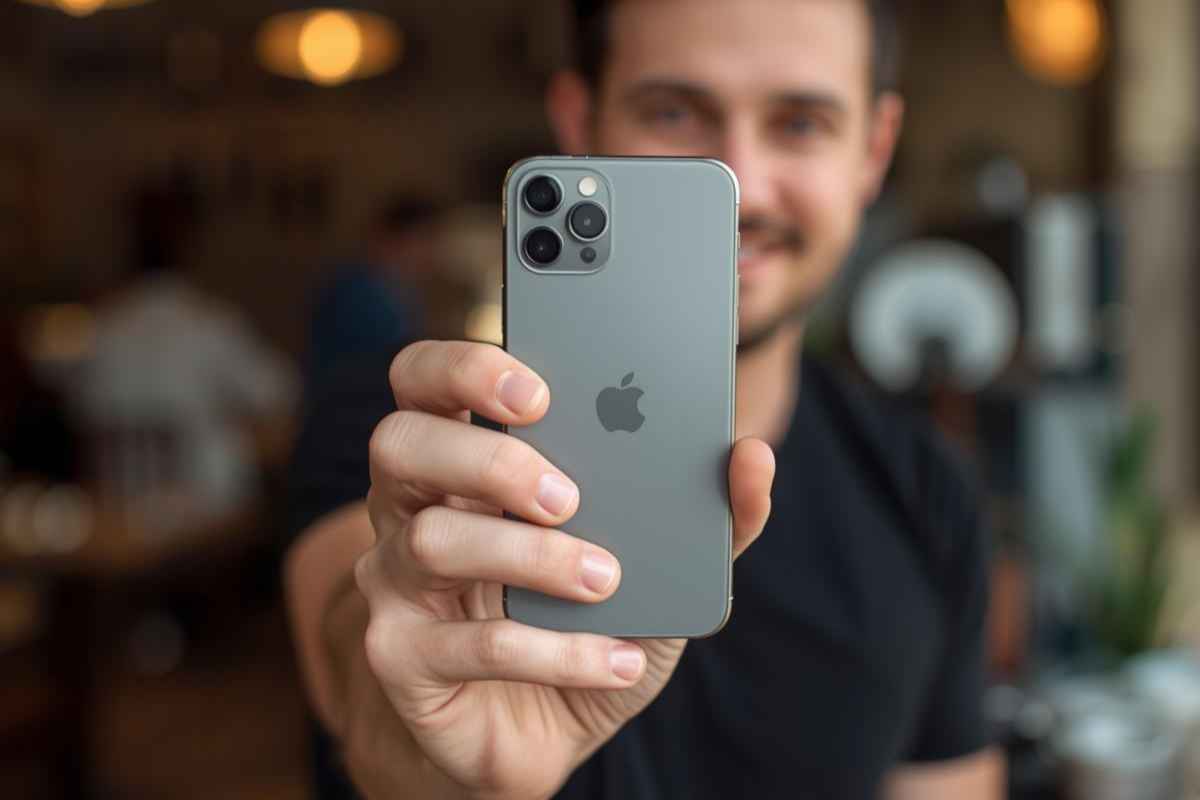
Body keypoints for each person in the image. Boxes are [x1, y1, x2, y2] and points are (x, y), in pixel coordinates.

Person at [285, 0, 1003, 797]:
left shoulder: (927, 490)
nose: (742, 184)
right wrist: (438, 755)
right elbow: (358, 677)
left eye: (800, 123)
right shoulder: (408, 424)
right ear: (577, 120)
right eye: (671, 111)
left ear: (873, 152)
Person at [75, 171, 297, 519]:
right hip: (202, 512)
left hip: (115, 508)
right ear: (191, 244)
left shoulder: (102, 328)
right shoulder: (207, 323)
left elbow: (81, 410)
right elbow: (280, 393)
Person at [305, 196, 442, 389]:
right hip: (347, 405)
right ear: (392, 240)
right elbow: (394, 359)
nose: (432, 254)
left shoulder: (401, 291)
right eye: (424, 240)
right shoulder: (357, 292)